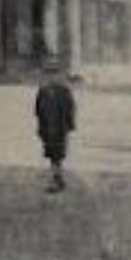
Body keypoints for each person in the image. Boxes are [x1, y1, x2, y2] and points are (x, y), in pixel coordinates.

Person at [35, 57, 77, 193]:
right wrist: (40, 128)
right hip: (47, 128)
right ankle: (57, 177)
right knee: (51, 154)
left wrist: (69, 124)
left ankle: (56, 179)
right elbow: (38, 110)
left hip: (60, 128)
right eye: (48, 74)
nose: (51, 77)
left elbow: (70, 108)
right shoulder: (42, 91)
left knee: (58, 154)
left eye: (54, 73)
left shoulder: (64, 91)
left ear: (59, 75)